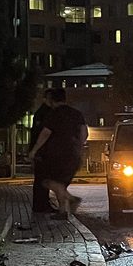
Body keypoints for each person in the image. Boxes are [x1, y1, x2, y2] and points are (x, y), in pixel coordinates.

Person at [27, 89, 87, 219]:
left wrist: (34, 150)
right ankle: (62, 212)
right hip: (74, 155)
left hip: (56, 155)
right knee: (61, 184)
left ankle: (71, 199)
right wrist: (79, 147)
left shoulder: (53, 114)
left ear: (51, 100)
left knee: (47, 182)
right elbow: (84, 133)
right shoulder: (77, 113)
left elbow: (45, 133)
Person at [30, 89, 57, 213]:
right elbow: (42, 133)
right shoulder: (45, 113)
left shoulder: (42, 113)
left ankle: (41, 204)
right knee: (42, 179)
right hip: (43, 152)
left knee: (42, 179)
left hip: (42, 152)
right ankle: (41, 205)